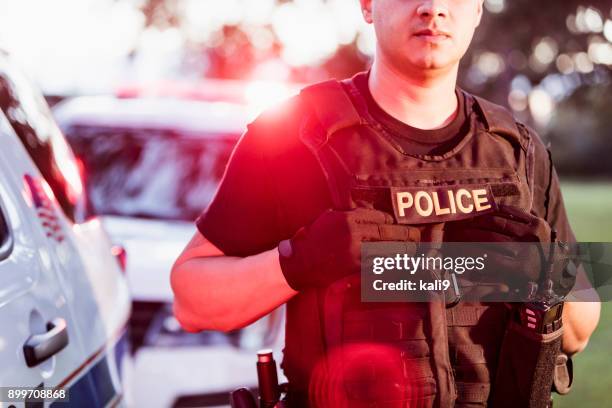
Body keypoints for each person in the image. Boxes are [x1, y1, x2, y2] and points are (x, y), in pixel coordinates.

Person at [171, 1, 600, 406]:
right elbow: (190, 300)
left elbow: (581, 328)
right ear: (367, 5)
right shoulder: (292, 138)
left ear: (476, 10)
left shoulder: (518, 152)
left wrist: (542, 273)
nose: (432, 8)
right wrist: (295, 263)